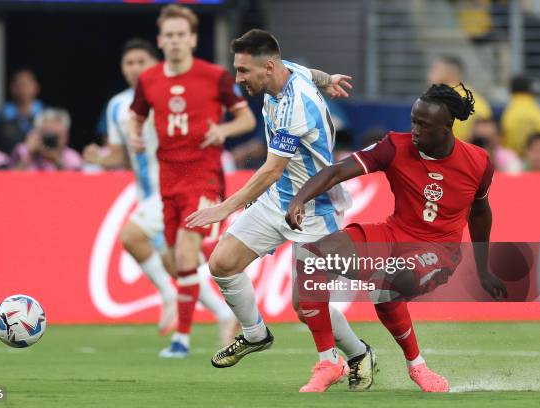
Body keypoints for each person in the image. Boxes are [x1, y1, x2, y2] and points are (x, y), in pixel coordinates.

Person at [186, 29, 376, 393]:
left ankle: (356, 354)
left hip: (313, 207)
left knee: (306, 306)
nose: (238, 79)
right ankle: (255, 335)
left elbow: (271, 168)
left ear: (267, 67)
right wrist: (329, 80)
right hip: (279, 199)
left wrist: (225, 208)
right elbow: (308, 72)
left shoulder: (294, 106)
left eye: (243, 71)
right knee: (222, 264)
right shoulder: (286, 71)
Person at [285, 83, 507, 392]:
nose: (414, 130)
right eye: (413, 120)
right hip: (391, 235)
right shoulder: (394, 146)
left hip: (438, 250)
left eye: (423, 124)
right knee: (310, 258)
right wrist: (299, 199)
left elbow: (480, 213)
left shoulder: (479, 162)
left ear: (446, 128)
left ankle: (417, 367)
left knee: (386, 285)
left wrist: (483, 269)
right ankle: (329, 362)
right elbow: (337, 171)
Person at [83, 38, 236, 340]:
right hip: (147, 194)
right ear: (122, 68)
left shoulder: (167, 95)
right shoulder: (117, 106)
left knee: (131, 236)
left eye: (142, 62)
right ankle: (226, 314)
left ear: (155, 64)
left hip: (177, 186)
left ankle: (168, 297)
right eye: (129, 63)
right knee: (176, 264)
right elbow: (119, 155)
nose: (135, 68)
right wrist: (98, 158)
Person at [129, 5, 256, 358]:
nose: (174, 41)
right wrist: (135, 135)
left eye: (181, 35)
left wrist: (222, 129)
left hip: (203, 176)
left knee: (184, 252)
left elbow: (246, 120)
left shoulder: (214, 76)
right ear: (160, 39)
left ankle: (181, 342)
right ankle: (225, 273)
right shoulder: (150, 79)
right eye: (168, 35)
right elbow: (135, 117)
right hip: (167, 180)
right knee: (175, 261)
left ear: (193, 39)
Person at [427, 56, 491, 141]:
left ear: (449, 73)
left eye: (434, 69)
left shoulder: (437, 102)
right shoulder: (479, 101)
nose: (429, 75)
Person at [0, 69, 45, 155]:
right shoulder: (1, 115)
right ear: (12, 88)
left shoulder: (46, 115)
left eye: (27, 85)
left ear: (36, 87)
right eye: (20, 85)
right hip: (9, 166)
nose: (23, 89)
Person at [12, 108, 82, 171]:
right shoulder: (22, 151)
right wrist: (28, 155)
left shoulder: (72, 158)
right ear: (37, 133)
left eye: (56, 135)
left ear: (66, 136)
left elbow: (73, 183)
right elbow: (10, 180)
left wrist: (57, 160)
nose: (51, 140)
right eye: (48, 134)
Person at [501, 75, 540, 156]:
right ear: (530, 90)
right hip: (537, 159)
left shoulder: (508, 113)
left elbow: (504, 140)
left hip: (513, 161)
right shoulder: (537, 111)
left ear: (511, 90)